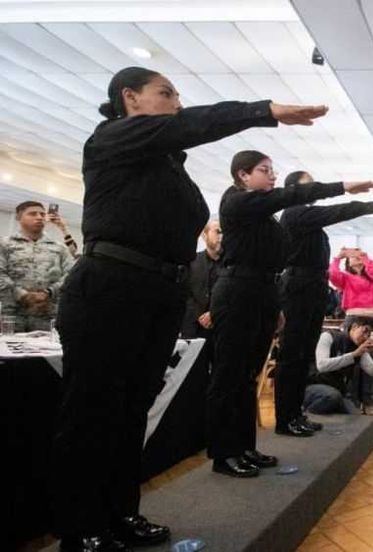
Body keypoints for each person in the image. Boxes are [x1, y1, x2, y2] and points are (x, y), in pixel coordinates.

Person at [51, 66, 326, 552]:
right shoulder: (111, 138)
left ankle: (121, 512)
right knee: (93, 411)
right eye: (167, 92)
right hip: (110, 286)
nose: (177, 101)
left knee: (132, 411)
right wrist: (263, 112)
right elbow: (188, 125)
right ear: (130, 97)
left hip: (157, 290)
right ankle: (81, 525)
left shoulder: (163, 164)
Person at [208, 150, 373, 477]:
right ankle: (223, 452)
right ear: (243, 175)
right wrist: (344, 187)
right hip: (238, 291)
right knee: (229, 375)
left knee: (247, 376)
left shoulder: (263, 213)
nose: (272, 176)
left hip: (261, 291)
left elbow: (274, 261)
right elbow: (294, 194)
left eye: (273, 170)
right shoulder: (237, 202)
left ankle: (244, 447)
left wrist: (275, 304)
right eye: (264, 170)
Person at [276, 171, 373, 438]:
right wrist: (372, 206)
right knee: (293, 356)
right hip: (298, 288)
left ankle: (295, 414)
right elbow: (336, 212)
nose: (316, 189)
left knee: (303, 355)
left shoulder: (303, 217)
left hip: (310, 287)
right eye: (310, 185)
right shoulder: (295, 213)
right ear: (295, 189)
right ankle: (286, 417)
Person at [0, 201, 74, 331]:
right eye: (33, 214)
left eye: (42, 214)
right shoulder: (4, 244)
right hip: (11, 315)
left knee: (49, 351)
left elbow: (71, 275)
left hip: (47, 316)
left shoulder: (59, 248)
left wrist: (49, 292)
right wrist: (23, 295)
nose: (39, 217)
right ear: (18, 217)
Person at [329, 247, 373, 414]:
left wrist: (365, 257)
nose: (356, 259)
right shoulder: (345, 278)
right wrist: (338, 257)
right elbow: (332, 274)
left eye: (359, 256)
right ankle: (353, 400)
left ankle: (368, 400)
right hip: (353, 319)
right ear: (348, 262)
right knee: (352, 360)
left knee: (372, 360)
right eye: (352, 257)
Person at [304, 317, 373, 415]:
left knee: (358, 417)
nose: (365, 337)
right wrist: (353, 355)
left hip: (339, 390)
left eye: (369, 335)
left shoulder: (359, 349)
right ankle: (306, 415)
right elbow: (322, 366)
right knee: (331, 396)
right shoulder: (329, 336)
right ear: (354, 327)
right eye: (365, 331)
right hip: (313, 384)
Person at [180, 220, 221, 340]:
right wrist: (199, 315)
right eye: (217, 232)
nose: (221, 237)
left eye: (224, 233)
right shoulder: (191, 261)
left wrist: (214, 314)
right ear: (204, 235)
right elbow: (184, 292)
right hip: (191, 330)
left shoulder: (231, 266)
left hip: (220, 331)